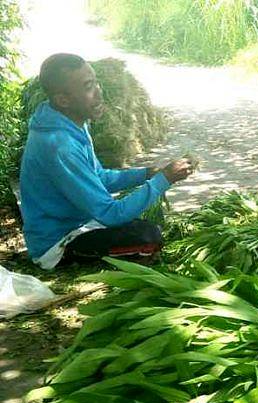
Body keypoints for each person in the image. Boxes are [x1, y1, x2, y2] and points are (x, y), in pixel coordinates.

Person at [19, 53, 193, 269]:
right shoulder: (59, 146)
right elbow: (111, 215)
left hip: (81, 225)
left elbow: (99, 177)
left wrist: (146, 174)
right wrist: (164, 179)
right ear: (63, 99)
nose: (99, 92)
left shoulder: (72, 123)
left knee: (145, 226)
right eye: (88, 86)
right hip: (57, 245)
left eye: (96, 82)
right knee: (149, 237)